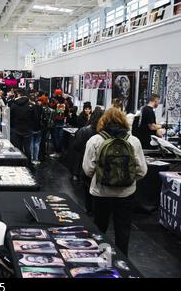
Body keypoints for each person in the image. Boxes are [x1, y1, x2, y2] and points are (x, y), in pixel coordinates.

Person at [83, 108, 148, 255]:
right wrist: (128, 179)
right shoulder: (133, 141)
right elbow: (142, 171)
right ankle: (123, 264)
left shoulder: (95, 140)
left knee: (99, 228)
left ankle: (99, 258)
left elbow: (88, 170)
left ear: (103, 121)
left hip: (101, 192)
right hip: (126, 193)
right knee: (123, 230)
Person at [72, 109, 104, 215]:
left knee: (87, 188)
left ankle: (89, 210)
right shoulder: (104, 134)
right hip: (101, 168)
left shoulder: (85, 130)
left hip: (85, 162)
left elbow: (76, 146)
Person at [10, 89, 33, 164]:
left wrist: (13, 127)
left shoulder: (13, 105)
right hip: (28, 130)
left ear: (18, 94)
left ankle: (19, 163)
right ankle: (28, 164)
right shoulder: (31, 105)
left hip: (16, 129)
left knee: (18, 148)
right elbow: (35, 118)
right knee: (27, 148)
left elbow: (10, 117)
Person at [49, 89, 69, 157]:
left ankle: (56, 151)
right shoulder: (65, 101)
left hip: (55, 120)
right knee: (60, 136)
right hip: (62, 120)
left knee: (55, 136)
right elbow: (67, 111)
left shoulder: (54, 101)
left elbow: (50, 108)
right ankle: (59, 151)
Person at [30, 96, 44, 165]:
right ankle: (36, 158)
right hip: (39, 127)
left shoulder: (30, 107)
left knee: (31, 143)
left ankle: (31, 158)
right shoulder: (40, 107)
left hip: (31, 127)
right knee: (37, 144)